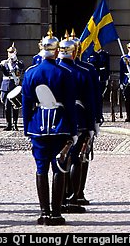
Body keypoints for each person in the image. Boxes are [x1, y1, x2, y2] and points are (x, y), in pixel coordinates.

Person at [21, 28, 77, 225]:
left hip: (38, 125)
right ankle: (56, 213)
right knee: (59, 168)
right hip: (60, 124)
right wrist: (73, 130)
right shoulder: (65, 73)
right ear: (55, 51)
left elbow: (27, 104)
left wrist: (27, 126)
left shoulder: (31, 73)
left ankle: (44, 213)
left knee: (41, 168)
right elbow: (70, 104)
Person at [56, 34, 97, 214]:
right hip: (79, 118)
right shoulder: (83, 71)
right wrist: (92, 125)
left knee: (60, 159)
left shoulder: (54, 70)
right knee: (77, 159)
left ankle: (60, 198)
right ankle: (73, 197)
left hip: (56, 120)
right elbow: (91, 101)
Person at [0, 42, 25, 131]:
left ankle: (15, 124)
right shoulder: (5, 63)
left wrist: (16, 61)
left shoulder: (18, 62)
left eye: (12, 52)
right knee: (6, 106)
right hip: (5, 86)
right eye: (9, 52)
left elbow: (22, 67)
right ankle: (9, 124)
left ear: (15, 53)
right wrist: (1, 64)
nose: (10, 54)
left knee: (15, 106)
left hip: (14, 86)